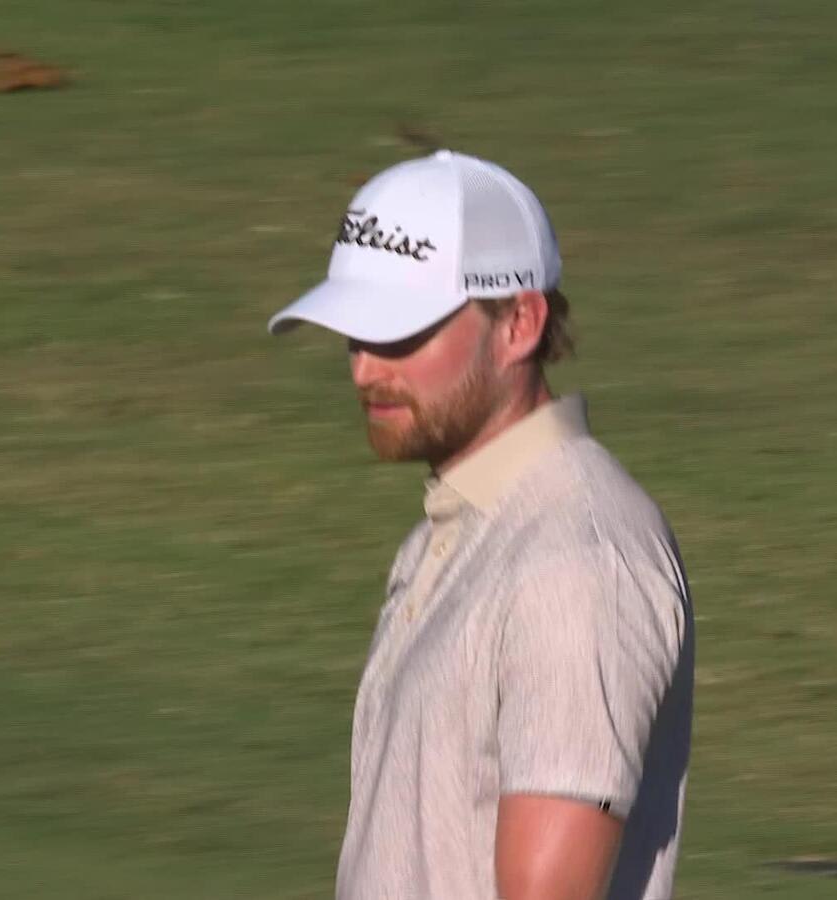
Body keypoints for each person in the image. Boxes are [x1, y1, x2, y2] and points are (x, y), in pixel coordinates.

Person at [269, 149, 694, 900]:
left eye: (400, 333)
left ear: (519, 323)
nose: (365, 369)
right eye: (353, 334)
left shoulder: (576, 561)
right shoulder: (463, 528)